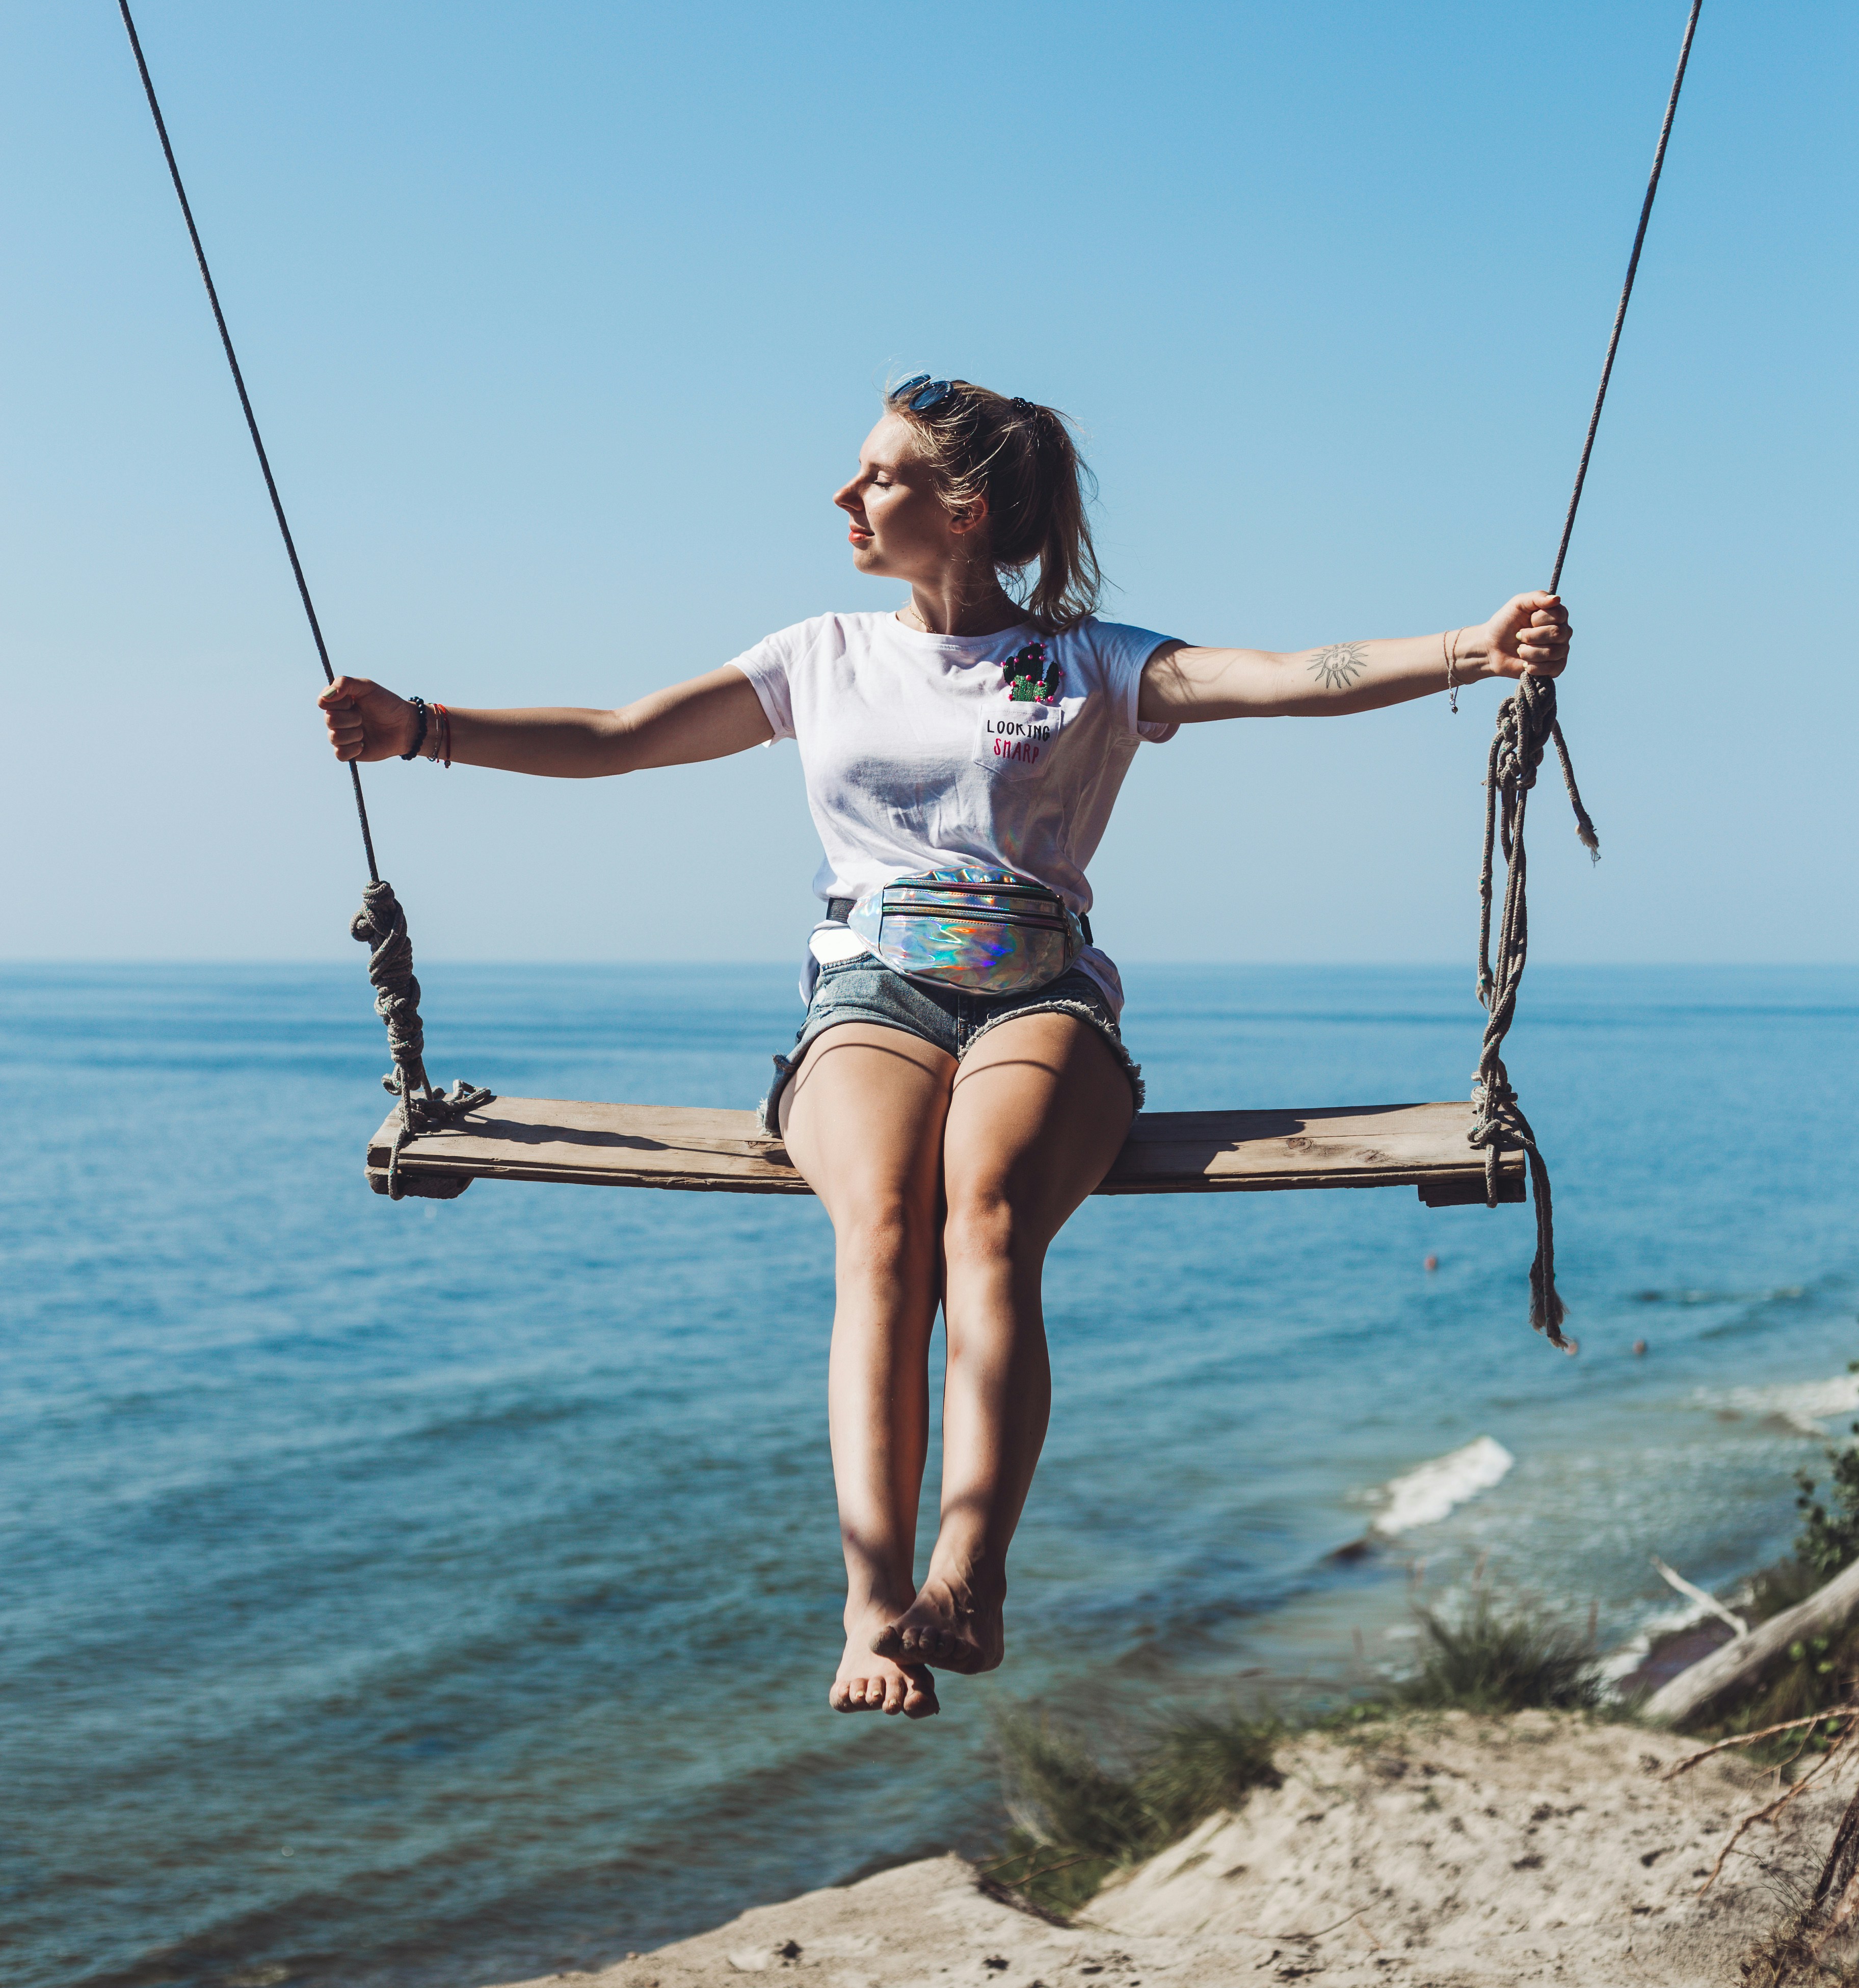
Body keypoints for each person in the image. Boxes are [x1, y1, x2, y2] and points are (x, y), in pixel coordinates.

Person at [318, 377, 1571, 1723]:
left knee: (985, 1217)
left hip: (1045, 1006)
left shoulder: (1094, 662)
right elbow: (623, 737)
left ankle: (967, 1579)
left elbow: (1283, 679)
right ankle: (871, 1607)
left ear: (962, 511)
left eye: (879, 476)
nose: (847, 496)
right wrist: (420, 731)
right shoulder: (823, 655)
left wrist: (1471, 647)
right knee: (885, 1227)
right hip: (870, 997)